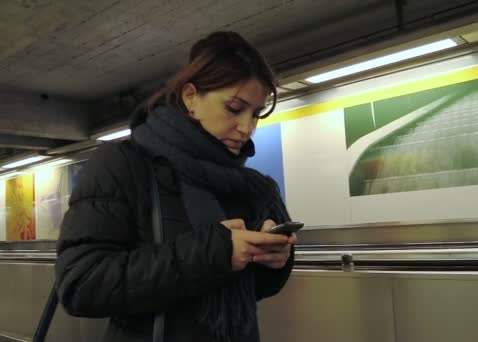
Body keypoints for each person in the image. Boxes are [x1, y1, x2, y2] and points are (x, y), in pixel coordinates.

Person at [54, 31, 297, 342]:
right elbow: (81, 284)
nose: (247, 128)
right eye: (235, 108)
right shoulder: (123, 164)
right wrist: (215, 253)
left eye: (256, 114)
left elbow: (253, 290)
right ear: (190, 97)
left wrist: (273, 261)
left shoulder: (249, 186)